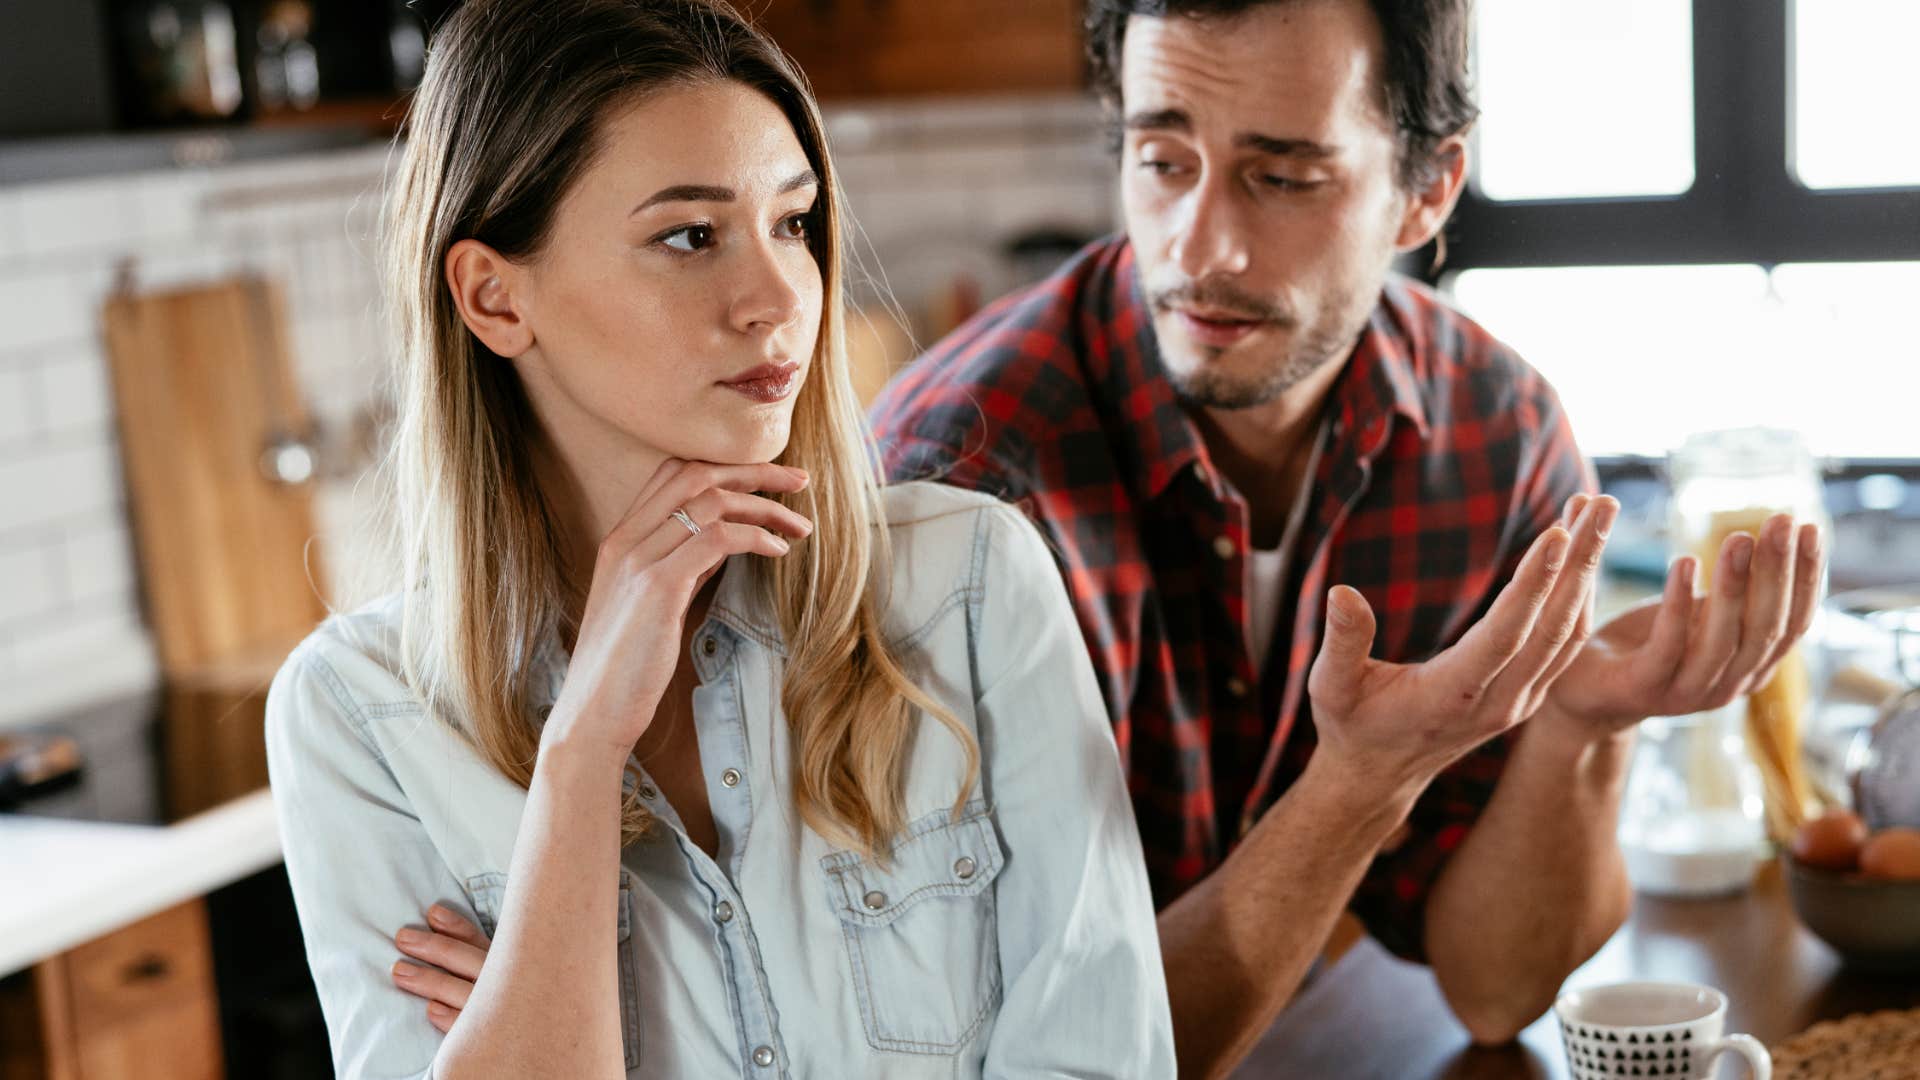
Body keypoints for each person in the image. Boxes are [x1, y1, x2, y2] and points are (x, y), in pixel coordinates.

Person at [864, 0, 1825, 1076]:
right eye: (1162, 159)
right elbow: (981, 1054)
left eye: (1283, 177)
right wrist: (1358, 784)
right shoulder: (960, 492)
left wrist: (1577, 731)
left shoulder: (1494, 435)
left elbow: (1498, 989)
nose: (1202, 246)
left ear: (1426, 191)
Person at [263, 1, 1179, 1076]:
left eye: (793, 223)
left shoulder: (967, 585)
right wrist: (581, 755)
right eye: (690, 236)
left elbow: (1101, 1059)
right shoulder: (356, 714)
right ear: (494, 297)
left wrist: (525, 1002)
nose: (777, 297)